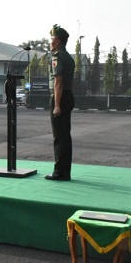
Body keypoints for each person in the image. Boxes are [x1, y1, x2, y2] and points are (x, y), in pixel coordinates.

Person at [45, 24, 75, 181]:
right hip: (68, 95)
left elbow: (58, 81)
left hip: (60, 97)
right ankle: (65, 171)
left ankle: (59, 172)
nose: (50, 43)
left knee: (59, 137)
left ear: (57, 41)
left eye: (51, 40)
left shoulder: (56, 57)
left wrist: (57, 104)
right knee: (65, 136)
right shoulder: (69, 57)